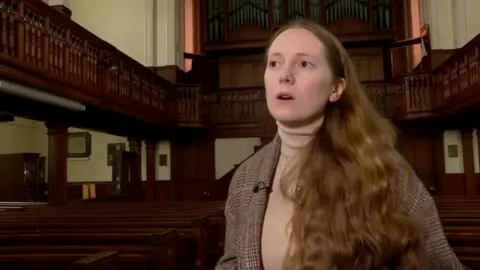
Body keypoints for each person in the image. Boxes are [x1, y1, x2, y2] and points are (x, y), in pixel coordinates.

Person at [215, 19, 463, 270]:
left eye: (304, 64)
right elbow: (233, 261)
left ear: (336, 88)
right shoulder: (245, 177)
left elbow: (441, 263)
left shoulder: (383, 170)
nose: (285, 76)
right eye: (275, 63)